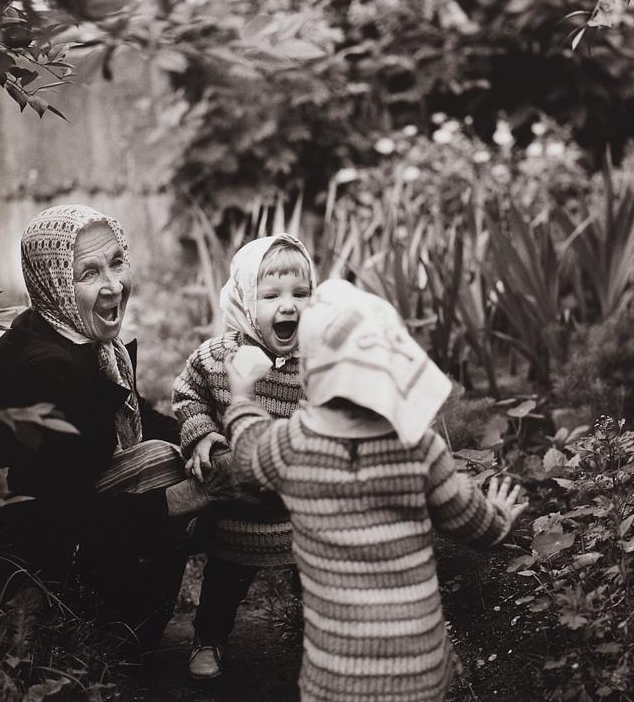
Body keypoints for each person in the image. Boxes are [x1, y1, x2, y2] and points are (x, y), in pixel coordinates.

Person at [222, 279, 528, 702]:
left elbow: (246, 457)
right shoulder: (420, 448)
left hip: (336, 678)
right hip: (418, 672)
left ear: (310, 373)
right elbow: (468, 522)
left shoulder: (293, 444)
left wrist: (241, 397)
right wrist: (500, 518)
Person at [0, 204, 202, 656]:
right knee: (163, 466)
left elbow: (138, 416)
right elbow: (60, 521)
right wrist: (190, 498)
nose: (113, 285)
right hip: (12, 577)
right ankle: (105, 639)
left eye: (116, 262)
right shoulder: (47, 373)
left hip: (48, 531)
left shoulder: (74, 339)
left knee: (183, 453)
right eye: (88, 273)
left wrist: (204, 436)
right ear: (54, 283)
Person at [172, 233, 316, 680]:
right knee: (225, 578)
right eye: (271, 295)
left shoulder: (314, 363)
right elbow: (187, 395)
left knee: (314, 582)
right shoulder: (218, 358)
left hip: (296, 506)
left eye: (300, 293)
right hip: (237, 502)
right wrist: (201, 438)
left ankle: (325, 644)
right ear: (243, 301)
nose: (288, 306)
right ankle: (209, 638)